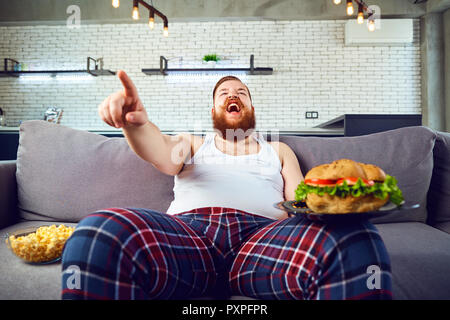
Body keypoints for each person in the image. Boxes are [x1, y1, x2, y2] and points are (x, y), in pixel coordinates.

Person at [61, 71, 392, 300]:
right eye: (224, 94)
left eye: (241, 94)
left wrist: (348, 201)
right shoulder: (192, 143)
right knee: (96, 234)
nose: (233, 96)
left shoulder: (278, 150)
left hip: (263, 241)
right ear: (214, 109)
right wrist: (136, 125)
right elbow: (160, 153)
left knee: (356, 238)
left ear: (251, 108)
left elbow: (305, 203)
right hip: (188, 238)